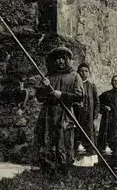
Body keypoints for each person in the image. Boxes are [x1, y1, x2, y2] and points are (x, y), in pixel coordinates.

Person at [34, 46, 84, 176]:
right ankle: (48, 172)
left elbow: (79, 96)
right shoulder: (48, 77)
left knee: (64, 143)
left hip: (65, 114)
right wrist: (44, 88)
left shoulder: (74, 76)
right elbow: (39, 97)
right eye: (57, 59)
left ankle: (64, 172)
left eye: (63, 58)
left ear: (67, 60)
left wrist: (62, 95)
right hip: (48, 113)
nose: (60, 61)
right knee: (47, 142)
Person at [73, 63, 99, 167]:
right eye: (81, 71)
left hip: (89, 117)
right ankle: (77, 161)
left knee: (89, 137)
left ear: (89, 73)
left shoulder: (92, 87)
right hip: (78, 116)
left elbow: (97, 103)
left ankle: (89, 162)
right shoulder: (74, 85)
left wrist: (95, 117)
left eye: (86, 71)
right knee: (78, 136)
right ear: (78, 73)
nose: (84, 73)